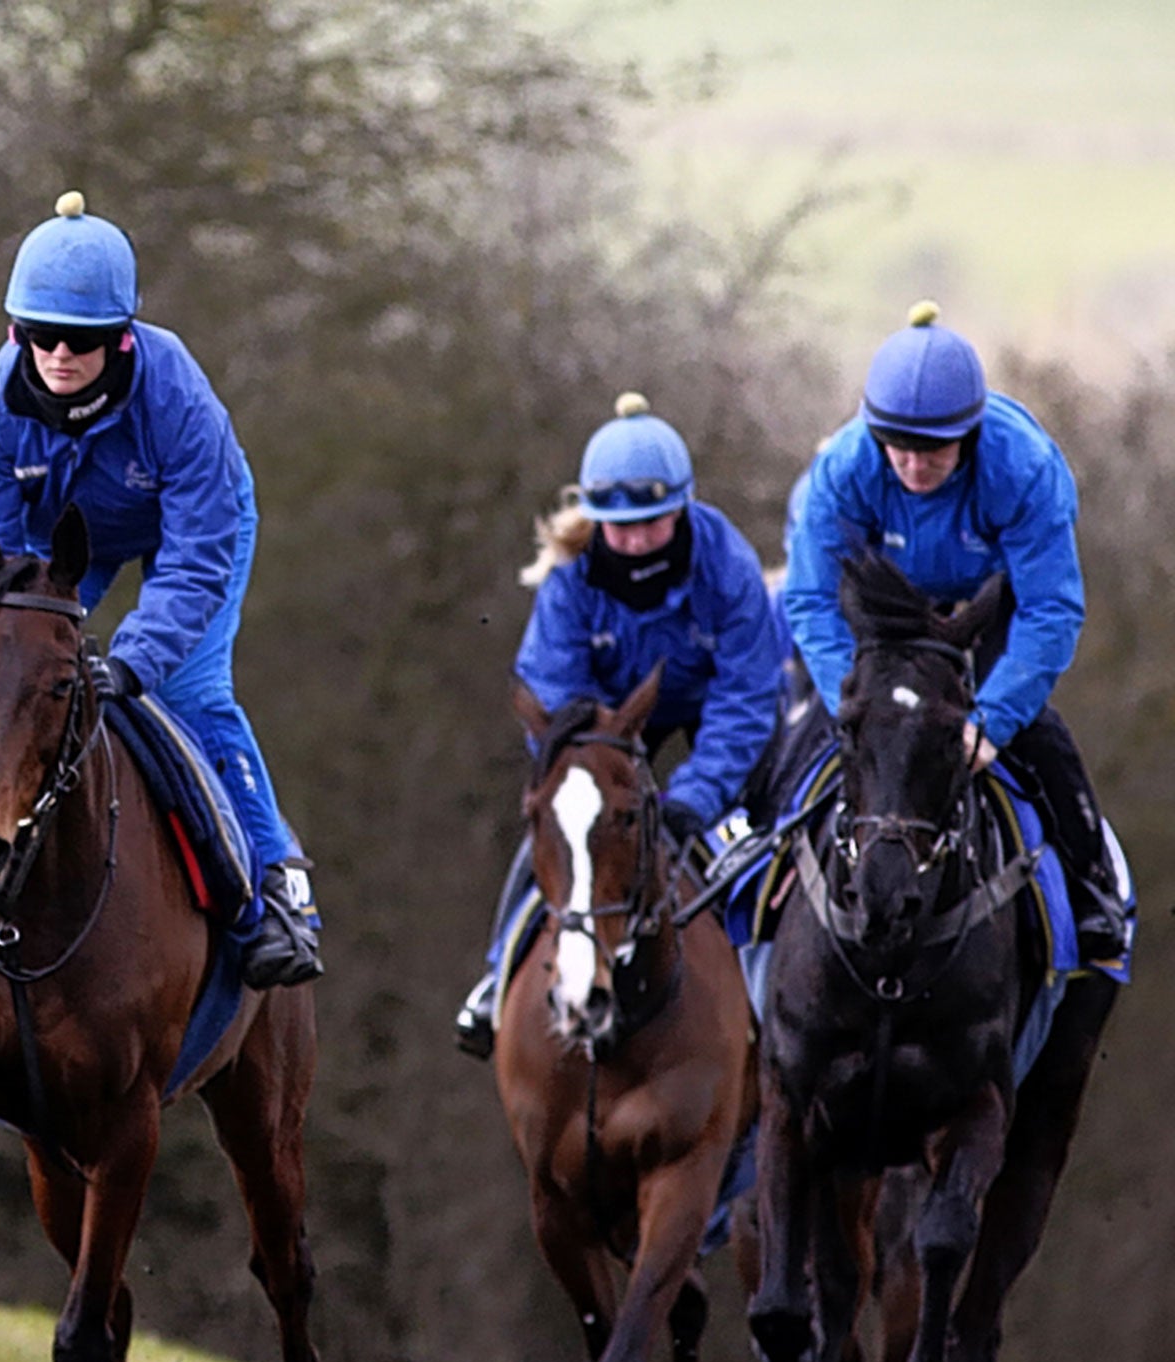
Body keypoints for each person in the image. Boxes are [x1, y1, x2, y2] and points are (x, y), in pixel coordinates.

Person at [0, 191, 321, 989]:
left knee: (194, 693)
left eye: (82, 341)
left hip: (187, 532)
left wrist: (130, 662)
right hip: (56, 547)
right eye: (39, 336)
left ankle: (272, 896)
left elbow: (198, 559)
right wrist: (26, 639)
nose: (59, 356)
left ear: (122, 338)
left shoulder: (180, 401)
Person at [785, 300, 1126, 962]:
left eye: (933, 451)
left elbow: (1050, 611)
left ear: (967, 436)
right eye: (899, 450)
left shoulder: (1023, 469)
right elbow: (808, 598)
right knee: (800, 738)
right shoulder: (845, 468)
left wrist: (994, 723)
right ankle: (756, 877)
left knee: (1042, 738)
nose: (913, 467)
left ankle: (1091, 890)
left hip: (989, 609)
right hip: (885, 612)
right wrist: (846, 698)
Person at [455, 393, 786, 1054]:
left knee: (755, 839)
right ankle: (498, 974)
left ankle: (771, 989)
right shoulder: (569, 579)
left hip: (714, 713)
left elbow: (746, 697)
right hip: (606, 725)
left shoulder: (728, 566)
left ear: (682, 509)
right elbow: (554, 698)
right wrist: (597, 770)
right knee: (562, 831)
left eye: (652, 523)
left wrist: (694, 797)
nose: (634, 540)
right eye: (619, 525)